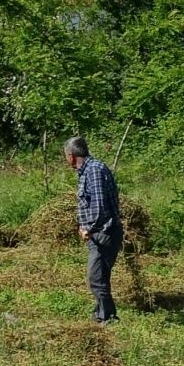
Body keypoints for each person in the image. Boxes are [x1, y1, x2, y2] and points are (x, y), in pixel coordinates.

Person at [65, 136, 122, 323]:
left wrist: (87, 228)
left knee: (96, 277)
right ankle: (100, 314)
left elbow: (99, 208)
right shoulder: (88, 170)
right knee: (99, 276)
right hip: (98, 234)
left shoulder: (94, 171)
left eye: (66, 157)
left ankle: (108, 318)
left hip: (104, 233)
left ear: (72, 156)